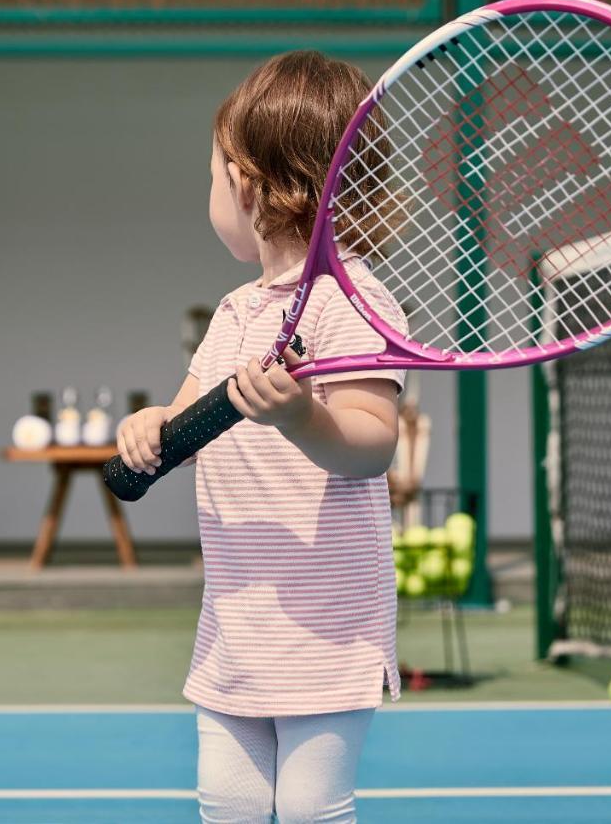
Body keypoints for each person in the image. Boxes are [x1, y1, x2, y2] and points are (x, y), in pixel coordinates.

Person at [116, 50, 406, 824]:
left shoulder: (356, 302)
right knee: (230, 802)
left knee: (312, 808)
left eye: (212, 174)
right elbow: (184, 422)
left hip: (329, 620)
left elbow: (375, 442)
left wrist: (301, 416)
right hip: (239, 616)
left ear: (249, 182)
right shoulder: (236, 313)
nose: (210, 192)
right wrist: (150, 428)